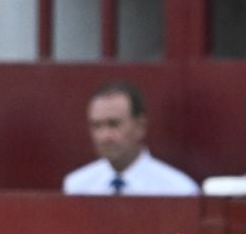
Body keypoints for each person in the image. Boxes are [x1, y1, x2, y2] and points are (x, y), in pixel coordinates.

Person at [61, 82, 198, 196]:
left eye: (114, 124)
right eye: (97, 126)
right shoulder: (77, 186)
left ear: (140, 127)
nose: (104, 136)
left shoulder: (177, 190)